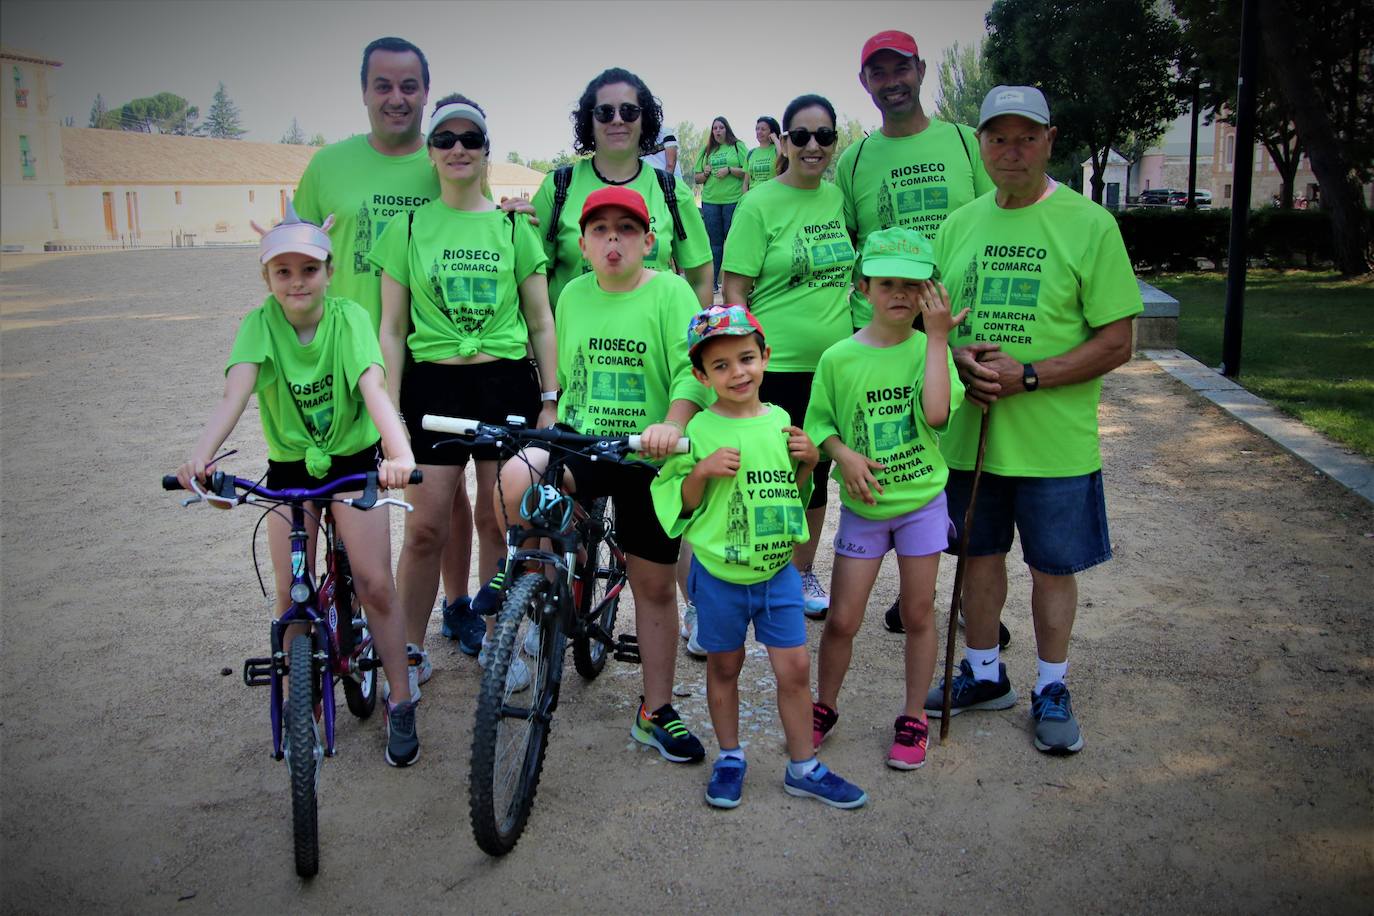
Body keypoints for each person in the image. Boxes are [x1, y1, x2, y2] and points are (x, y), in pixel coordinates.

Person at [924, 86, 1141, 755]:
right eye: (997, 138)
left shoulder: (1089, 224)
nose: (1010, 151)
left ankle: (1052, 685)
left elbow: (1118, 340)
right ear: (981, 145)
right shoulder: (959, 224)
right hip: (972, 437)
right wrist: (953, 357)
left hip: (1054, 445)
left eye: (1025, 137)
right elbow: (933, 322)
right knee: (979, 558)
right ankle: (985, 674)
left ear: (1049, 141)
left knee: (1052, 567)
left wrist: (1030, 376)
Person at [175, 206, 421, 767]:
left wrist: (399, 452)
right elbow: (235, 394)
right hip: (290, 467)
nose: (296, 282)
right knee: (290, 595)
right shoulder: (259, 323)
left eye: (308, 270)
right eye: (282, 272)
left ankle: (401, 699)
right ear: (267, 279)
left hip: (355, 459)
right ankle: (301, 698)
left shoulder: (350, 318)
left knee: (375, 582)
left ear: (328, 272)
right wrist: (202, 456)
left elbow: (374, 389)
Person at [496, 186, 709, 764]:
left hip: (644, 452)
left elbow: (693, 375)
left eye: (625, 230)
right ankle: (534, 588)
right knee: (515, 477)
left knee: (655, 586)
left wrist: (672, 421)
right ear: (583, 244)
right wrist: (552, 415)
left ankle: (656, 708)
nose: (612, 241)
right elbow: (568, 376)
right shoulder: (572, 295)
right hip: (583, 444)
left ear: (648, 241)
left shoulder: (670, 291)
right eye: (600, 231)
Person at [293, 36, 483, 659]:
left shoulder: (440, 159)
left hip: (424, 354)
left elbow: (474, 217)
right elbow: (295, 250)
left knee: (443, 491)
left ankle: (455, 605)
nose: (397, 98)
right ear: (365, 92)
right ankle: (343, 607)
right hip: (340, 357)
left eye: (409, 86)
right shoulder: (328, 166)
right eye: (384, 85)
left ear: (426, 94)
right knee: (338, 483)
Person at [371, 95, 557, 696]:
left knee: (499, 515)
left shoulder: (512, 226)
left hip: (504, 380)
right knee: (425, 528)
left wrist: (549, 399)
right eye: (445, 138)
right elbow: (392, 330)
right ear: (430, 152)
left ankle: (502, 641)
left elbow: (542, 323)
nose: (457, 148)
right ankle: (408, 652)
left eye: (469, 138)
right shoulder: (405, 226)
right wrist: (392, 416)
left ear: (486, 152)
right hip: (435, 383)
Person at [650, 305, 867, 809]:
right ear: (701, 376)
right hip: (721, 577)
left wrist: (810, 463)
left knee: (793, 671)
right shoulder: (698, 430)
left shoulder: (782, 422)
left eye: (746, 358)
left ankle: (804, 766)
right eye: (720, 366)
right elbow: (677, 501)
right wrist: (700, 471)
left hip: (778, 575)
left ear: (766, 358)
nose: (737, 372)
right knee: (724, 668)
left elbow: (789, 496)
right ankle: (730, 757)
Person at [834, 28, 995, 634]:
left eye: (900, 68)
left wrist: (958, 335)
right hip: (895, 340)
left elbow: (990, 226)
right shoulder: (853, 161)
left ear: (921, 70)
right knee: (901, 456)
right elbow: (850, 254)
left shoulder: (960, 142)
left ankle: (952, 603)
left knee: (964, 469)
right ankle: (914, 597)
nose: (891, 81)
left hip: (963, 332)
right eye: (878, 72)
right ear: (864, 83)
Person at [804, 228, 965, 770]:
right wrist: (842, 455)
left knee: (919, 613)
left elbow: (939, 415)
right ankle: (824, 706)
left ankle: (914, 714)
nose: (899, 293)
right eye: (886, 282)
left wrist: (939, 340)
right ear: (863, 287)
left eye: (912, 285)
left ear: (928, 293)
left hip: (921, 501)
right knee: (843, 619)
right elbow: (819, 426)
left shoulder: (929, 349)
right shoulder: (838, 358)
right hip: (864, 507)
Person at [721, 94, 856, 621]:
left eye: (824, 136)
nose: (813, 146)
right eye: (800, 136)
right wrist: (745, 364)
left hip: (831, 367)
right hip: (773, 367)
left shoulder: (837, 199)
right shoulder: (759, 205)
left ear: (834, 143)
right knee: (758, 470)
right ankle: (744, 571)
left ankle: (800, 571)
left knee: (813, 468)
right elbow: (735, 291)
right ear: (782, 143)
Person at [529, 68, 712, 310]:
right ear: (589, 120)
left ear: (644, 119)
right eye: (605, 112)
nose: (617, 119)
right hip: (575, 346)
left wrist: (695, 343)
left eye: (629, 111)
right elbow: (531, 279)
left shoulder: (671, 191)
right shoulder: (558, 188)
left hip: (656, 345)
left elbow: (701, 279)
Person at [693, 116, 750, 291]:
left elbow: (748, 171)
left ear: (727, 129)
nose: (717, 131)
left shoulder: (737, 146)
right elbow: (697, 178)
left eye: (721, 128)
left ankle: (736, 284)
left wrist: (730, 170)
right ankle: (712, 284)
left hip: (733, 201)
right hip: (710, 202)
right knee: (714, 244)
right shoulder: (706, 150)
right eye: (715, 128)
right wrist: (706, 173)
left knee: (733, 242)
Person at [740, 116, 781, 195]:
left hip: (773, 196)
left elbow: (784, 157)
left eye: (763, 129)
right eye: (757, 129)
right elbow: (745, 182)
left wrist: (776, 139)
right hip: (753, 197)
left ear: (771, 132)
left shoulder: (776, 149)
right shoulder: (751, 153)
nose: (759, 132)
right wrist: (745, 198)